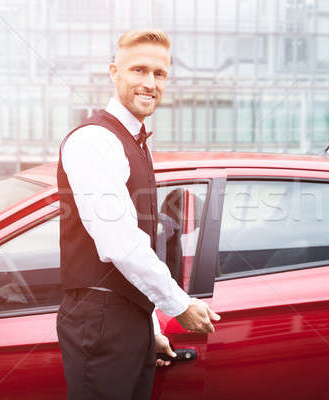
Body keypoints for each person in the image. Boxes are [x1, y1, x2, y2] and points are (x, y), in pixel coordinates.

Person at [56, 29, 220, 400]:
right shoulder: (94, 141)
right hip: (100, 325)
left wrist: (149, 330)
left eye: (159, 74)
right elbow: (119, 241)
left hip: (125, 322)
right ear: (114, 73)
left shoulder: (134, 139)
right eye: (138, 70)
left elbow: (138, 243)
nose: (150, 83)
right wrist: (179, 306)